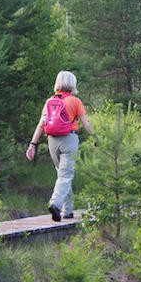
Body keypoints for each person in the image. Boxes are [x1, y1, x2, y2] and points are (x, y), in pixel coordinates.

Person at [26, 70, 95, 222]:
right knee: (66, 175)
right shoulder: (75, 101)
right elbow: (85, 123)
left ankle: (67, 211)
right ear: (72, 84)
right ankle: (55, 204)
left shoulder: (49, 101)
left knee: (62, 175)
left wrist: (33, 144)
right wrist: (95, 137)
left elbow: (41, 124)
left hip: (52, 141)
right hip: (69, 139)